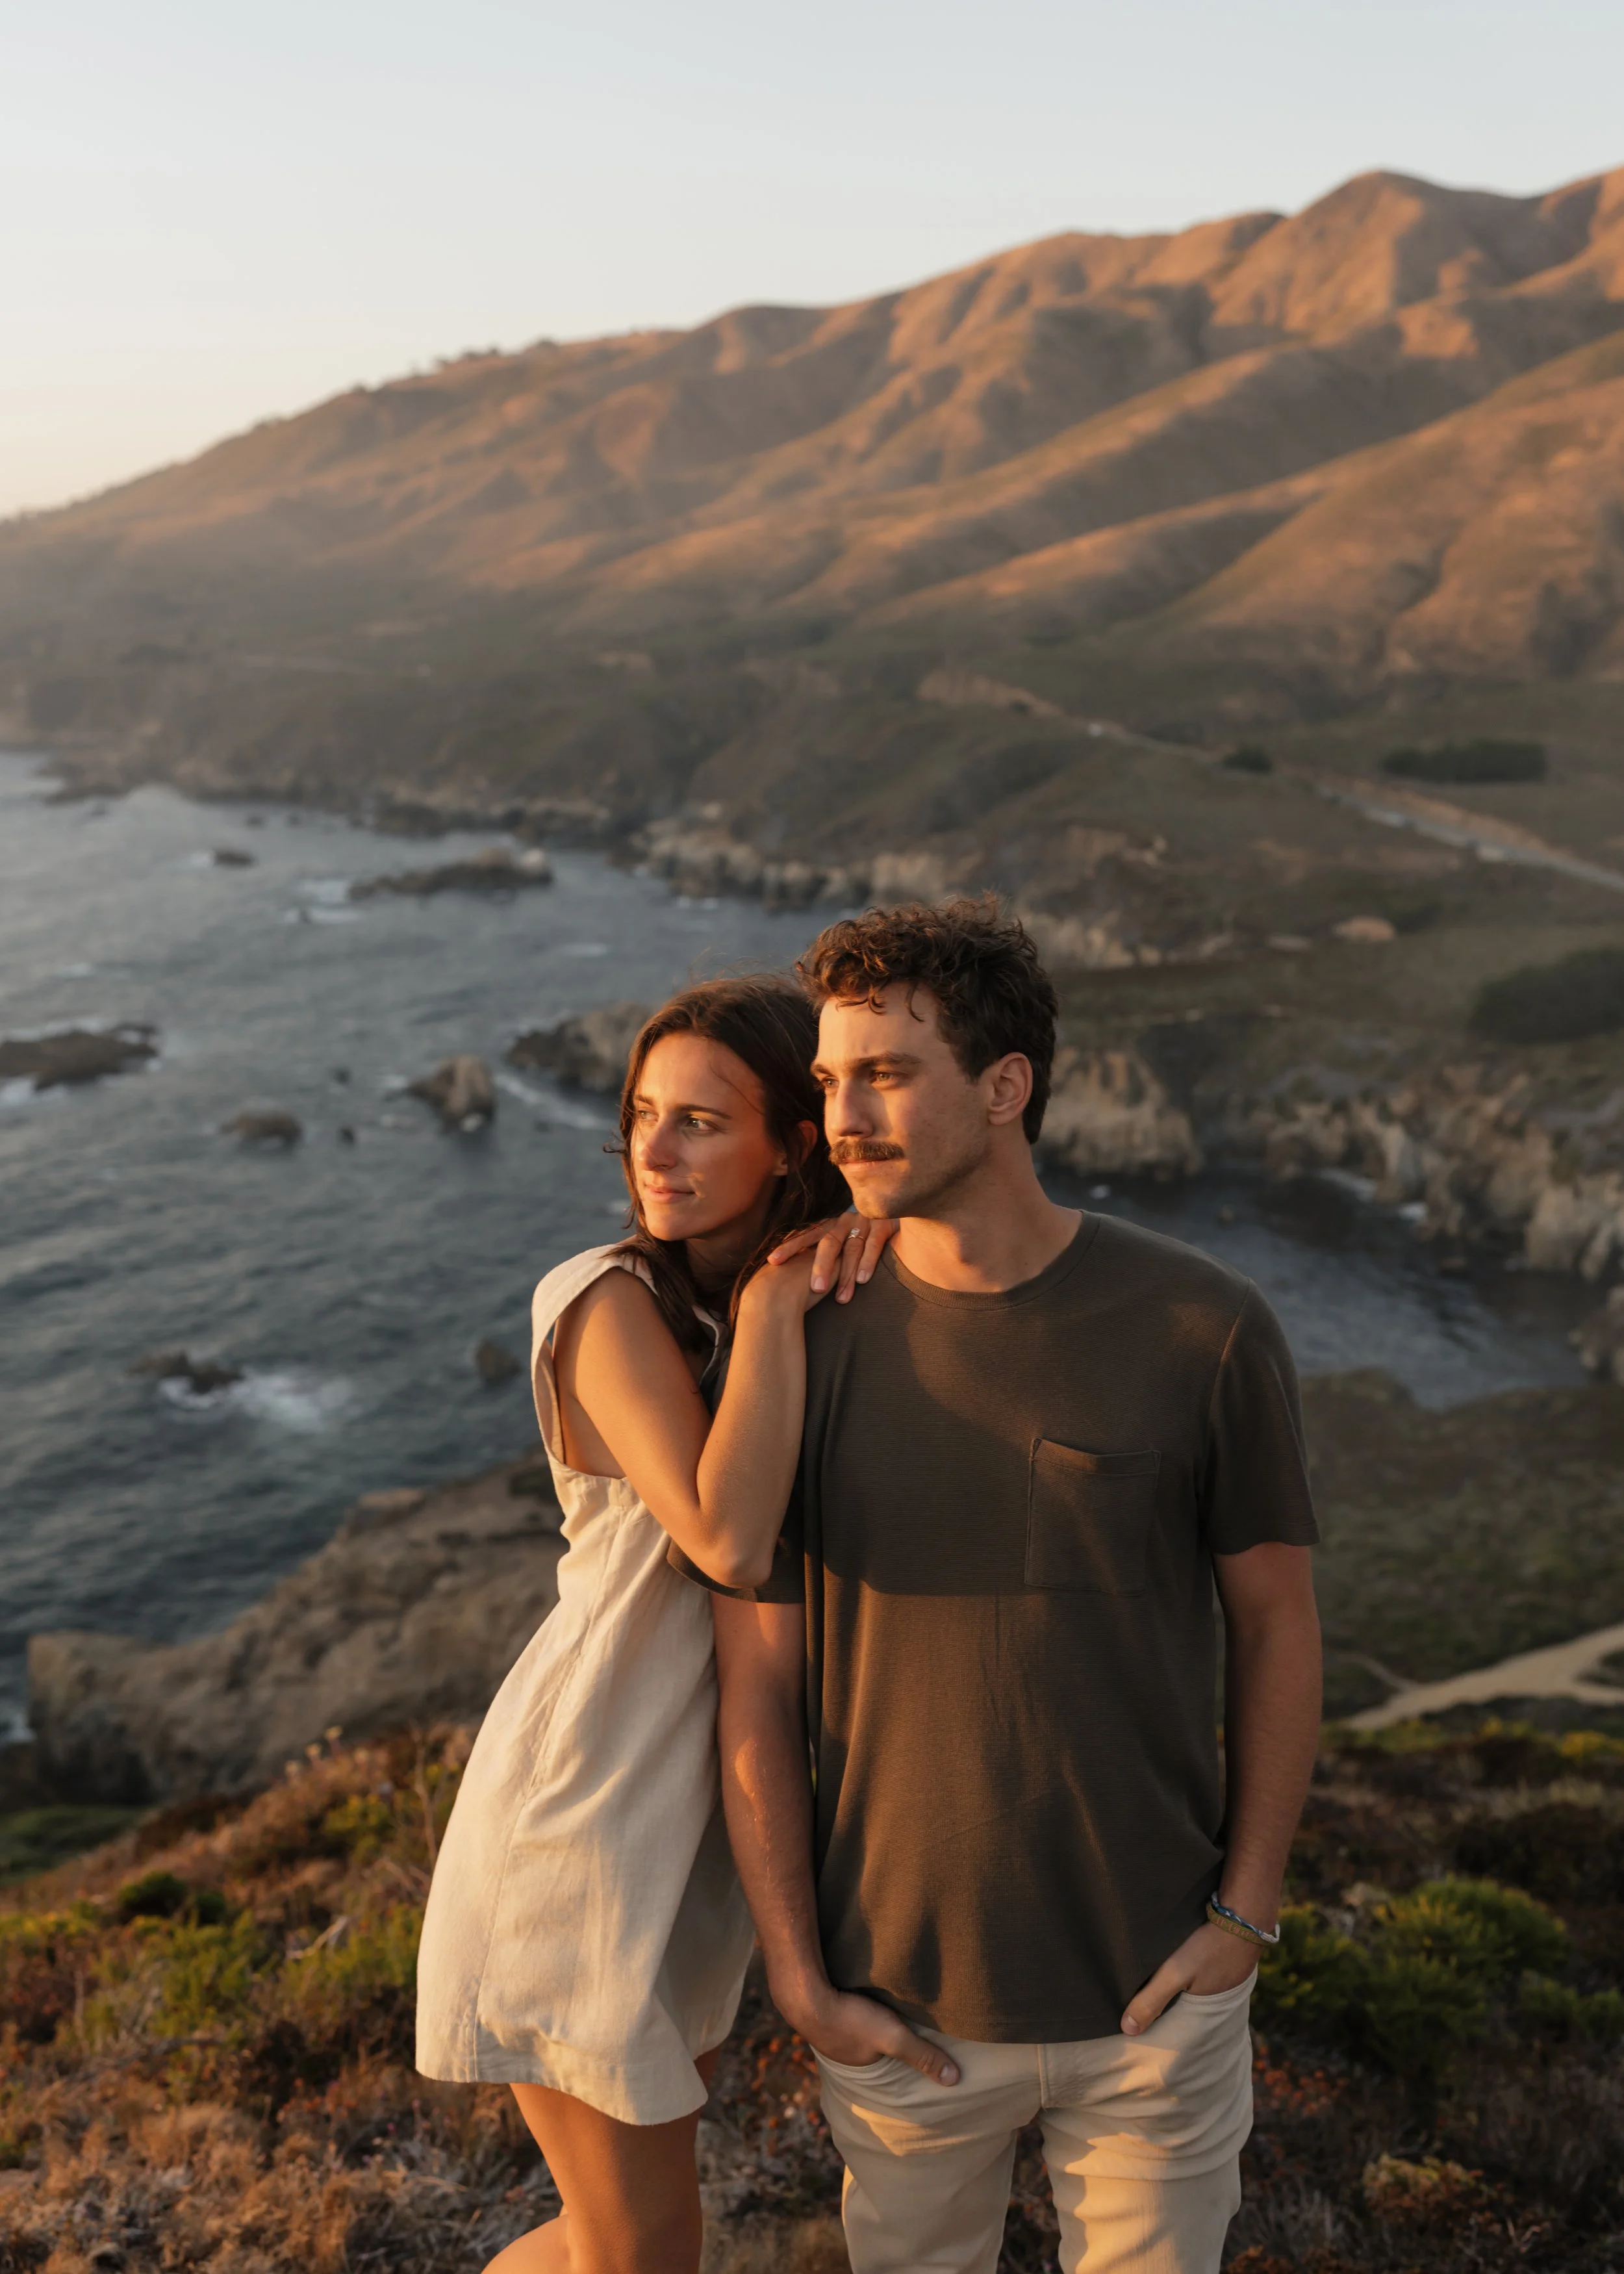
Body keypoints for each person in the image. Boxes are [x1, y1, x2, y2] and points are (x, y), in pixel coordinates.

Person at [709, 899, 1324, 2274]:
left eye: (885, 1073)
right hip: (896, 2014)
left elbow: (1275, 1621)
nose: (843, 1116)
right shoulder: (801, 1342)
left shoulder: (1203, 1325)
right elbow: (752, 1672)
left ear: (1003, 1089)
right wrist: (800, 1978)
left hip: (1153, 2008)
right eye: (827, 1081)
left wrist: (1243, 1916)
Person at [414, 975, 913, 2274]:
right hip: (584, 1804)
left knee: (608, 2239)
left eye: (699, 1120)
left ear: (787, 1144)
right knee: (644, 2252)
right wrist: (769, 1308)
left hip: (687, 1832)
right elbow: (725, 1536)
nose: (653, 1147)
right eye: (644, 1114)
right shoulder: (604, 1300)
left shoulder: (781, 1296)